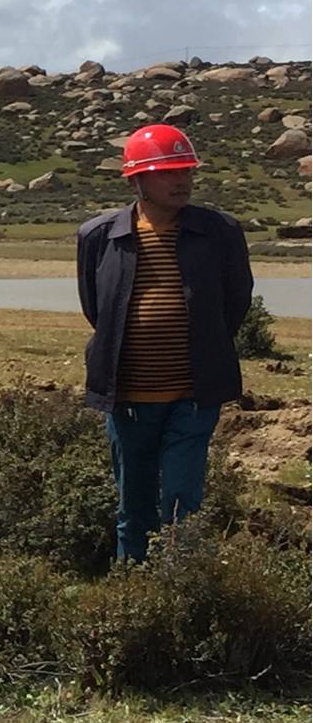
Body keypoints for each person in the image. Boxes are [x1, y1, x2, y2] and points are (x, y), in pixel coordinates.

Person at [76, 123, 253, 562]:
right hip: (129, 399)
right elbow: (97, 310)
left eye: (187, 172)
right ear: (137, 179)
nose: (181, 181)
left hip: (193, 397)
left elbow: (235, 303)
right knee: (133, 508)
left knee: (181, 502)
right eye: (167, 172)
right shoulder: (99, 236)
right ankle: (133, 600)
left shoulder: (221, 232)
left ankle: (179, 595)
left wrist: (203, 345)